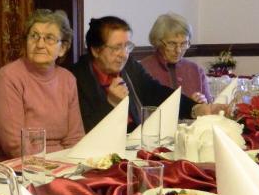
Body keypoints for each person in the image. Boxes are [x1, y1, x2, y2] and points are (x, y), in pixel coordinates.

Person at [68, 16, 226, 133]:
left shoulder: (129, 66)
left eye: (127, 46)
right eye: (116, 48)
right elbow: (85, 131)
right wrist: (111, 104)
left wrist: (196, 108)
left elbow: (155, 92)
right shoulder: (76, 78)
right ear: (96, 50)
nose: (123, 54)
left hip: (134, 145)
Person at [0, 9, 85, 158]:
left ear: (63, 48)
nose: (40, 44)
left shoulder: (68, 79)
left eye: (49, 38)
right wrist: (56, 163)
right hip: (17, 165)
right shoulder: (7, 78)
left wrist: (71, 163)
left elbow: (75, 138)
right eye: (34, 36)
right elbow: (15, 146)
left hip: (62, 163)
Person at [140, 13, 211, 103]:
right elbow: (140, 108)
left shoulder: (196, 70)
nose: (178, 50)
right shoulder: (143, 69)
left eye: (183, 44)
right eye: (172, 44)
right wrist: (188, 106)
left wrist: (203, 105)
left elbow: (209, 107)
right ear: (158, 42)